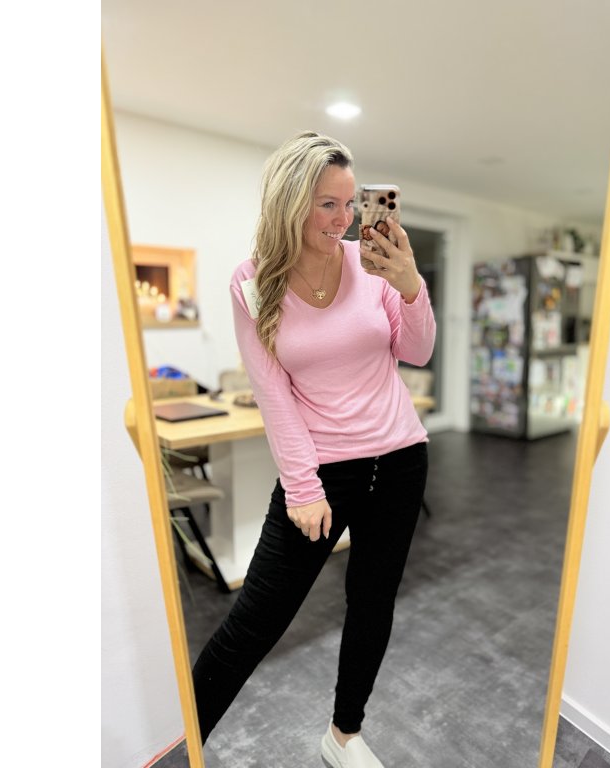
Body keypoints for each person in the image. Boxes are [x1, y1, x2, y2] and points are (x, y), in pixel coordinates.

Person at [191, 130, 436, 768]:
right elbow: (272, 392)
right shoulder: (253, 282)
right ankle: (179, 743)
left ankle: (343, 736)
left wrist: (410, 284)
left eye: (350, 203)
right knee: (255, 621)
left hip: (400, 459)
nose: (345, 219)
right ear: (290, 203)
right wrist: (302, 486)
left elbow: (417, 351)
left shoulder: (373, 266)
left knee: (372, 605)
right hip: (324, 473)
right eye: (328, 204)